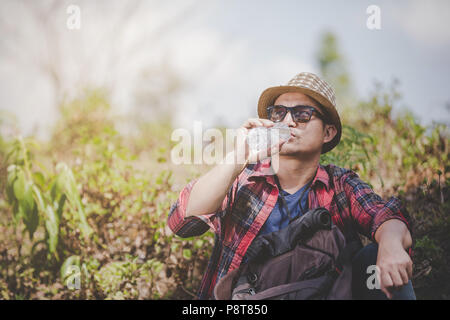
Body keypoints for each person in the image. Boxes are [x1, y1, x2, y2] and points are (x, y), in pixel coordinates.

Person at [168, 72, 415, 300]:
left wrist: (391, 246)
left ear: (328, 133)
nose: (287, 121)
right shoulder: (245, 180)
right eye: (278, 113)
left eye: (302, 114)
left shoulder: (340, 185)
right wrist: (236, 159)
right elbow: (182, 222)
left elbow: (385, 215)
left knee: (373, 257)